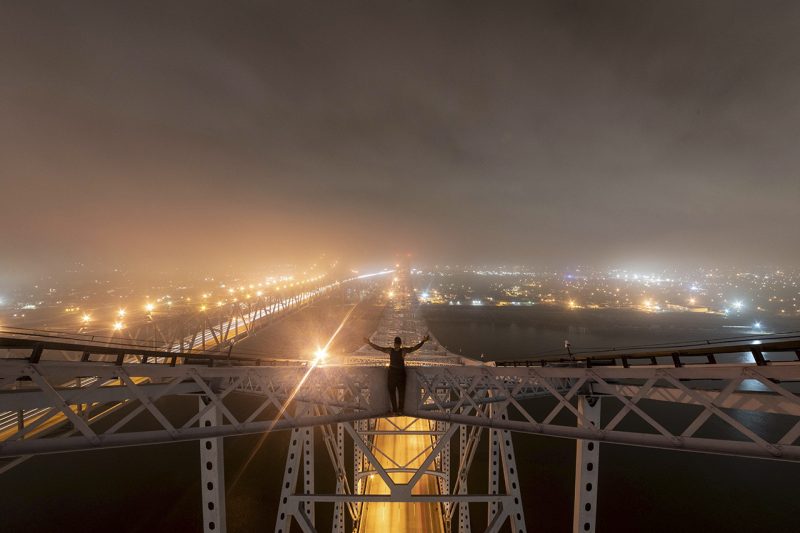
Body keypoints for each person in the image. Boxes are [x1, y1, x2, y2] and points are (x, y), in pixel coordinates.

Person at [364, 334, 430, 415]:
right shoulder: (403, 351)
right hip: (401, 374)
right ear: (400, 343)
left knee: (392, 392)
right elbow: (414, 348)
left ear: (394, 343)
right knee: (401, 392)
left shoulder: (390, 350)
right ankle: (400, 410)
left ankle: (395, 410)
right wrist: (423, 341)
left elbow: (379, 348)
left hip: (392, 374)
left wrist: (369, 343)